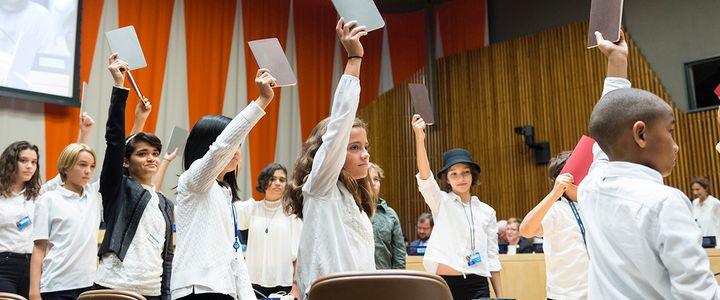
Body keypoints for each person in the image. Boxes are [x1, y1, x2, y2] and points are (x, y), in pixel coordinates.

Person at [578, 31, 720, 299]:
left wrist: (617, 60)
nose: (676, 145)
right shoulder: (666, 202)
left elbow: (607, 132)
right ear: (641, 134)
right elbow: (696, 295)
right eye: (670, 131)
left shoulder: (590, 186)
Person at [283, 19, 376, 298]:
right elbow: (339, 126)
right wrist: (355, 59)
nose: (365, 154)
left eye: (365, 146)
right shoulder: (321, 186)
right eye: (354, 147)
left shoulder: (354, 200)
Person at [170, 67, 277, 300]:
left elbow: (235, 255)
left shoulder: (225, 192)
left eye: (239, 145)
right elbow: (222, 148)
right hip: (196, 289)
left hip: (223, 289)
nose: (237, 151)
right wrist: (262, 101)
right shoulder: (193, 181)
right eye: (236, 143)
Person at [93, 54, 174, 300]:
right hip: (114, 288)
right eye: (142, 154)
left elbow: (167, 257)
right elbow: (116, 141)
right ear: (126, 162)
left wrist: (166, 295)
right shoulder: (118, 189)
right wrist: (119, 87)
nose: (151, 158)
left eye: (155, 154)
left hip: (151, 292)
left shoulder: (164, 203)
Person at [411, 115, 503, 299]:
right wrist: (419, 139)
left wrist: (501, 296)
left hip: (478, 283)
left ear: (472, 175)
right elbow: (425, 178)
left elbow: (492, 257)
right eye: (454, 174)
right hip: (445, 283)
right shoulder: (441, 202)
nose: (461, 178)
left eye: (465, 172)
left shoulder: (487, 212)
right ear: (446, 179)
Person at [29, 143, 101, 300]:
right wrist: (34, 292)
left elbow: (118, 159)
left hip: (88, 286)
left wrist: (139, 120)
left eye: (92, 166)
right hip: (56, 286)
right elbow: (39, 247)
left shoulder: (95, 193)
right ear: (66, 167)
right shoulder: (48, 199)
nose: (88, 171)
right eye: (82, 165)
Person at [519, 151, 588, 299]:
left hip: (595, 292)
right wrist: (554, 194)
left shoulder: (592, 205)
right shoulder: (555, 209)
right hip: (564, 295)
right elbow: (526, 230)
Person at [234, 163, 302, 299]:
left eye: (282, 180)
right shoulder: (252, 208)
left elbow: (299, 254)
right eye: (273, 179)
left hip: (283, 283)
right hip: (252, 282)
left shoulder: (292, 214)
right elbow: (228, 209)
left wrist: (296, 285)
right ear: (264, 182)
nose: (278, 183)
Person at [0, 141, 41, 298]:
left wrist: (84, 133)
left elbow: (67, 170)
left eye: (34, 162)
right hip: (4, 263)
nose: (29, 166)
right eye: (23, 161)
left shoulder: (38, 195)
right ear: (10, 162)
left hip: (33, 265)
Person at [368, 162, 406, 269]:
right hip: (357, 277)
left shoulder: (390, 215)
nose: (373, 183)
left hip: (384, 277)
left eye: (376, 179)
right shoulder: (352, 210)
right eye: (367, 179)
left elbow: (399, 254)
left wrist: (397, 281)